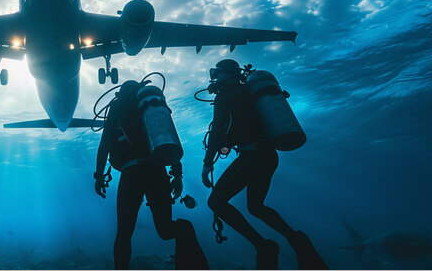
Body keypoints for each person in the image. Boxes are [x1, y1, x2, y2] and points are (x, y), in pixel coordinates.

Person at [201, 59, 327, 270]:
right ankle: (296, 240)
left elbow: (216, 134)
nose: (214, 79)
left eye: (217, 74)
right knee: (256, 207)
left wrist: (207, 163)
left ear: (227, 74)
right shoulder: (249, 92)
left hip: (251, 155)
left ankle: (264, 246)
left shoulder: (226, 95)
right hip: (268, 155)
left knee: (216, 202)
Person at [94, 80, 209, 270]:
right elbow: (166, 138)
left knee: (124, 233)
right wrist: (178, 176)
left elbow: (105, 144)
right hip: (157, 172)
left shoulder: (118, 106)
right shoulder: (149, 107)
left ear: (120, 94)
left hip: (131, 173)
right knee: (165, 229)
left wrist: (99, 176)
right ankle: (194, 259)